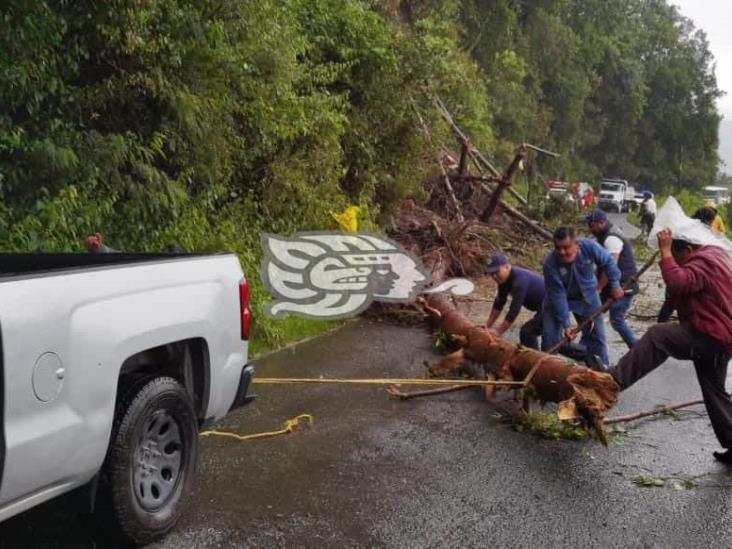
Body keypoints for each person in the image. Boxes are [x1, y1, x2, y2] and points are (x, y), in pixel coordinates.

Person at [609, 228, 732, 464]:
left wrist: (665, 251)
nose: (673, 262)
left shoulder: (705, 260)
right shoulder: (711, 256)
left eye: (676, 256)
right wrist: (664, 317)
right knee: (715, 393)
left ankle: (612, 381)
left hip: (713, 336)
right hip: (719, 338)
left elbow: (678, 280)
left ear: (687, 250)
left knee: (658, 336)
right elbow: (674, 294)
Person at [542, 226, 624, 369]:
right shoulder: (550, 264)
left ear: (576, 244)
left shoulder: (589, 247)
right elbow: (558, 295)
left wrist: (615, 285)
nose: (562, 252)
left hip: (588, 296)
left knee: (597, 336)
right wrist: (566, 324)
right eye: (558, 248)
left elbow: (608, 262)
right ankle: (547, 371)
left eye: (566, 247)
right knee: (550, 339)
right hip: (558, 300)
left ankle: (602, 371)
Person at [585, 209, 639, 348]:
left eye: (592, 225)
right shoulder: (604, 236)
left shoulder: (611, 239)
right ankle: (585, 347)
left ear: (601, 223)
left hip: (623, 285)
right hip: (612, 285)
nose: (590, 229)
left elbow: (610, 268)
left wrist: (599, 288)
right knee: (592, 315)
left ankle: (637, 348)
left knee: (617, 320)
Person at [484, 254, 545, 349]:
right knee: (530, 333)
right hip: (543, 306)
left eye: (496, 272)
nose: (494, 276)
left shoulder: (520, 280)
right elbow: (498, 304)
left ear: (507, 267)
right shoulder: (503, 281)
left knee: (528, 332)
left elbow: (514, 310)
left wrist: (498, 332)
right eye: (492, 274)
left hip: (554, 305)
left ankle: (533, 361)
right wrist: (487, 327)